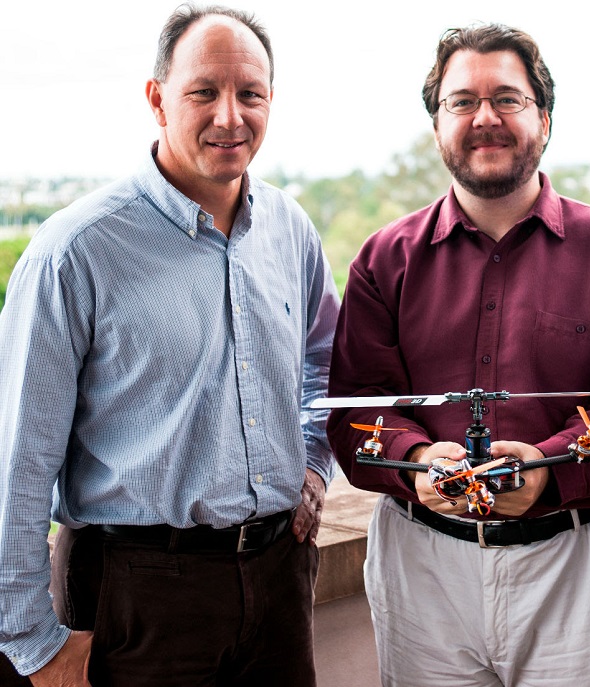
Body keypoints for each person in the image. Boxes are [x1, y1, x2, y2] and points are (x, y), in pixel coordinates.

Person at [0, 4, 339, 686]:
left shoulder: (289, 227)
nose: (229, 117)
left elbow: (324, 363)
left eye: (250, 94)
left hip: (278, 581)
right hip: (137, 594)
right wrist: (31, 640)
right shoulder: (75, 251)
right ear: (157, 99)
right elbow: (19, 459)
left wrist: (313, 462)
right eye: (203, 92)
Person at [326, 23, 590, 687]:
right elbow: (353, 414)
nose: (485, 119)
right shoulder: (383, 259)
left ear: (544, 117)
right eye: (462, 102)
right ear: (437, 124)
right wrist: (418, 460)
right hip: (423, 572)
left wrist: (549, 465)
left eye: (507, 98)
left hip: (582, 566)